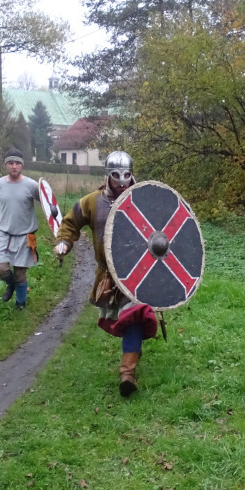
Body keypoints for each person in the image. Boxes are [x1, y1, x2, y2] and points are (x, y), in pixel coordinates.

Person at [53, 151, 159, 398]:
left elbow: (163, 229)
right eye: (116, 175)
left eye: (126, 175)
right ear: (107, 175)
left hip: (139, 272)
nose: (122, 181)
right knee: (128, 319)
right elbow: (70, 223)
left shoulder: (144, 199)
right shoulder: (92, 202)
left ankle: (127, 374)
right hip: (109, 276)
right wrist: (64, 243)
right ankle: (130, 362)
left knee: (134, 315)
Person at [0, 149, 43, 309]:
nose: (14, 166)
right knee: (0, 270)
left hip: (26, 236)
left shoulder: (31, 185)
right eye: (11, 163)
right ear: (6, 165)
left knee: (20, 273)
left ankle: (20, 304)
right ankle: (11, 285)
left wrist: (53, 215)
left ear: (21, 165)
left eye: (17, 163)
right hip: (4, 234)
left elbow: (47, 203)